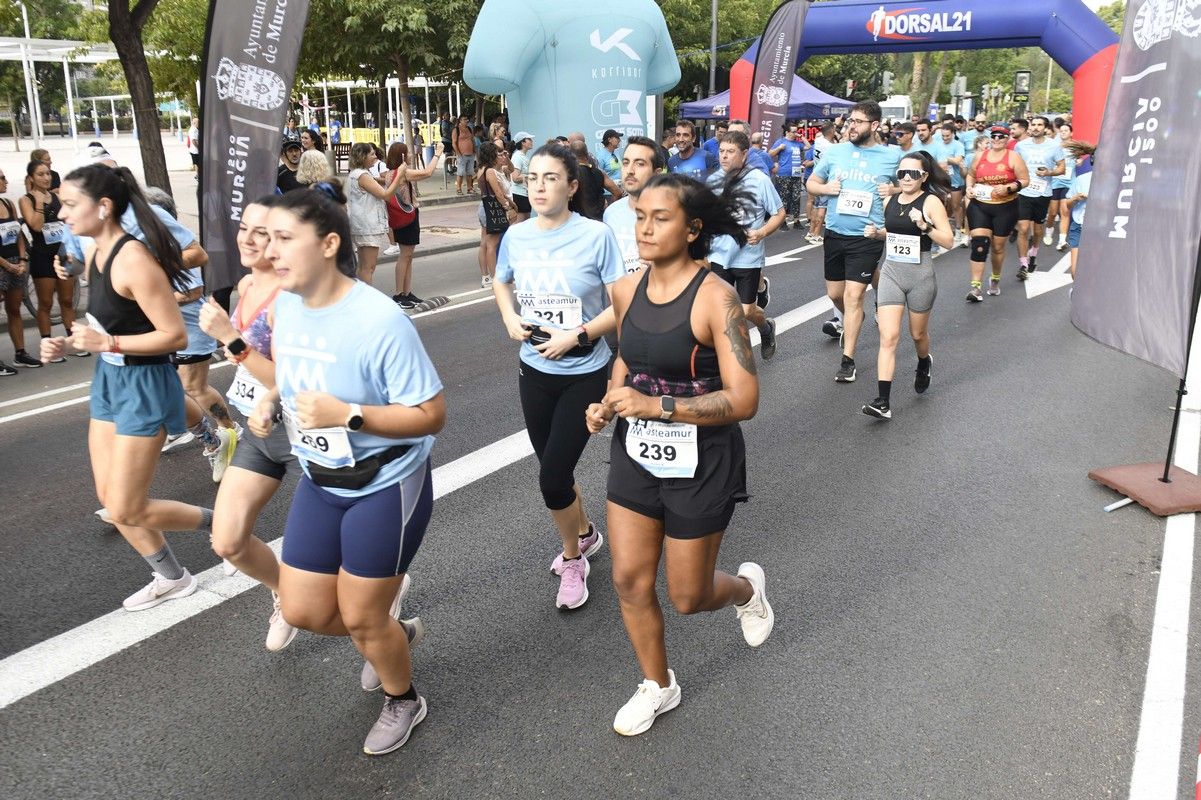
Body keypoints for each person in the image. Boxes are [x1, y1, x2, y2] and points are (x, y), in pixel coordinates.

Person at [250, 189, 444, 756]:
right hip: (321, 477)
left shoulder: (378, 321)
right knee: (302, 608)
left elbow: (432, 415)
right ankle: (394, 638)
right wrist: (271, 399)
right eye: (269, 237)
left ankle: (403, 696)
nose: (271, 250)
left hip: (386, 483)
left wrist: (350, 415)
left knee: (361, 616)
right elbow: (289, 369)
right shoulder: (285, 303)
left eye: (285, 238)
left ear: (329, 243)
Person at [583, 172, 773, 736]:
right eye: (639, 216)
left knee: (689, 596)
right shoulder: (624, 289)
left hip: (704, 459)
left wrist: (657, 406)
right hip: (637, 454)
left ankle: (746, 590)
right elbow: (630, 358)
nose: (643, 227)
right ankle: (658, 684)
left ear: (692, 229)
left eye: (659, 218)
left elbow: (745, 399)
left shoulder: (716, 297)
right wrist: (609, 402)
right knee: (629, 580)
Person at [43, 165, 214, 611]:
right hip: (109, 379)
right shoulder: (95, 252)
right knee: (109, 498)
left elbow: (174, 336)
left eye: (69, 203)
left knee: (125, 507)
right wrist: (67, 343)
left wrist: (108, 342)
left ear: (103, 207)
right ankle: (171, 577)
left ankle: (228, 524)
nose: (61, 212)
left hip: (145, 383)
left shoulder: (133, 258)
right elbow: (110, 321)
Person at [492, 142, 623, 609]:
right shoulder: (518, 235)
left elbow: (620, 303)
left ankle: (574, 559)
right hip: (534, 370)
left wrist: (579, 335)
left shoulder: (596, 236)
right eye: (532, 178)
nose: (540, 186)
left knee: (551, 478)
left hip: (584, 372)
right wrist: (509, 318)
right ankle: (585, 533)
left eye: (551, 178)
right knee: (555, 469)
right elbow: (500, 279)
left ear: (571, 185)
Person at [197, 197, 299, 650]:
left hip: (306, 433)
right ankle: (285, 592)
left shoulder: (289, 295)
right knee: (228, 540)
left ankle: (384, 598)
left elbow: (290, 381)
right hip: (257, 429)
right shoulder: (244, 283)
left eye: (261, 232)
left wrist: (231, 341)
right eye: (244, 228)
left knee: (335, 554)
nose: (248, 238)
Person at [806, 101, 901, 383]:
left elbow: (915, 183)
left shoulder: (891, 157)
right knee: (836, 294)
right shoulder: (835, 152)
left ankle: (848, 359)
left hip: (867, 235)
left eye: (858, 122)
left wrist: (893, 188)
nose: (851, 126)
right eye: (850, 121)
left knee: (853, 296)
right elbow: (812, 182)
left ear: (874, 125)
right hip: (835, 233)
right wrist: (825, 188)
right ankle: (854, 316)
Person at [859, 152, 954, 420]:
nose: (906, 178)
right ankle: (883, 402)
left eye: (912, 174)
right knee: (888, 337)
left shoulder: (931, 201)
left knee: (917, 335)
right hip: (891, 271)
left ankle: (924, 361)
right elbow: (895, 233)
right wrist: (878, 234)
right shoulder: (890, 199)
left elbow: (948, 241)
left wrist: (924, 226)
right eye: (902, 173)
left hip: (920, 275)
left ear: (924, 177)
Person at [706, 131, 784, 360]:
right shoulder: (713, 180)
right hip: (719, 257)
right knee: (722, 311)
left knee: (747, 310)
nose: (724, 156)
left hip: (748, 257)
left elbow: (779, 214)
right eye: (721, 151)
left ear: (744, 154)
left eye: (730, 152)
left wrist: (762, 232)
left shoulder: (759, 180)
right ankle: (728, 359)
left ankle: (766, 328)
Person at [963, 126, 1029, 301]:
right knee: (979, 244)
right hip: (980, 205)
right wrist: (969, 187)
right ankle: (975, 288)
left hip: (1005, 207)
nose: (997, 139)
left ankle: (995, 279)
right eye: (994, 136)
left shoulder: (1013, 157)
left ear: (1007, 139)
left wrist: (1009, 187)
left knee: (998, 247)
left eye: (1001, 136)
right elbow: (970, 175)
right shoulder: (980, 156)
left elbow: (1025, 180)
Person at [21, 159, 78, 360]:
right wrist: (38, 202)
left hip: (61, 254)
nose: (46, 178)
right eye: (40, 174)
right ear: (31, 178)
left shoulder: (56, 197)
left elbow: (70, 221)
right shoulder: (26, 200)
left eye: (48, 174)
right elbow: (36, 226)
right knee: (45, 303)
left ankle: (73, 341)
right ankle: (49, 344)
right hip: (42, 257)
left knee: (67, 300)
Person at [384, 140, 444, 308]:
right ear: (401, 156)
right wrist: (438, 153)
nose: (410, 155)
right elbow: (428, 172)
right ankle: (398, 294)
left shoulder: (390, 173)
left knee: (408, 256)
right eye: (407, 153)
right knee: (405, 256)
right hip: (407, 215)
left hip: (403, 216)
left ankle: (407, 292)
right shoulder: (402, 173)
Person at [1013, 116, 1065, 279]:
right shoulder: (1021, 146)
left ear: (1045, 127)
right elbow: (1013, 165)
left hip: (1043, 193)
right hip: (1023, 191)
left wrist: (1048, 172)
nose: (1036, 127)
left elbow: (1062, 168)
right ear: (1030, 127)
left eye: (1039, 125)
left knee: (1037, 231)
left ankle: (1033, 253)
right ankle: (1023, 264)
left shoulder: (1054, 146)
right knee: (1022, 228)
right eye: (1033, 125)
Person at [346, 142, 405, 286]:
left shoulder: (355, 174)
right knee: (368, 267)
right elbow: (385, 194)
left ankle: (362, 296)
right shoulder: (362, 175)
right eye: (372, 154)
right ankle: (367, 300)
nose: (375, 156)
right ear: (363, 157)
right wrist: (399, 175)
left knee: (363, 267)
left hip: (361, 224)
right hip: (367, 226)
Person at [603, 135, 663, 274]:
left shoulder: (675, 215)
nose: (630, 170)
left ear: (657, 173)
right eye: (625, 162)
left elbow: (702, 265)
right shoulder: (611, 214)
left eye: (640, 163)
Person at [0, 170, 35, 370]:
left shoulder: (7, 204)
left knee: (14, 309)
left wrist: (21, 259)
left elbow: (18, 233)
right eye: (2, 178)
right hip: (3, 264)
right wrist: (8, 265)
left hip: (15, 261)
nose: (6, 181)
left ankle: (20, 353)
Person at [476, 142, 519, 288]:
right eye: (497, 152)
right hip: (493, 209)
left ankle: (488, 277)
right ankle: (495, 278)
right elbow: (498, 193)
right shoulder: (490, 171)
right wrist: (508, 207)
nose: (499, 154)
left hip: (486, 207)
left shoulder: (483, 169)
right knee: (492, 245)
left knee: (487, 244)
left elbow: (510, 170)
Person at [930, 122, 967, 247]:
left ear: (953, 134)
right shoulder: (937, 144)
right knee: (941, 206)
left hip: (955, 180)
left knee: (955, 205)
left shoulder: (958, 145)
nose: (945, 138)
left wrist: (947, 159)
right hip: (941, 180)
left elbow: (958, 160)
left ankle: (958, 229)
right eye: (943, 136)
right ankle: (942, 231)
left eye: (947, 136)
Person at [1063, 140, 1094, 280]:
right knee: (1075, 273)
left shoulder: (1116, 181)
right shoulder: (1082, 179)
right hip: (1079, 227)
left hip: (1101, 229)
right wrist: (1076, 198)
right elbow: (1067, 205)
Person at [769, 125, 805, 229]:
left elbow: (808, 147)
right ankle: (782, 221)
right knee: (784, 198)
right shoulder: (781, 142)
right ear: (787, 132)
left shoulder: (797, 143)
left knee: (796, 197)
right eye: (793, 132)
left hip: (796, 173)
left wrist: (801, 136)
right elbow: (770, 153)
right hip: (784, 173)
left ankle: (796, 221)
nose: (795, 134)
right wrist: (779, 148)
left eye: (796, 132)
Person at [1047, 121, 1076, 252]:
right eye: (1061, 130)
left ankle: (1062, 241)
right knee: (1053, 212)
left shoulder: (1076, 147)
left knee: (1065, 211)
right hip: (1055, 181)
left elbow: (1083, 158)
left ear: (1071, 133)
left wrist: (1079, 161)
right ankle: (1049, 230)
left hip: (1069, 182)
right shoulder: (1054, 146)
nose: (1063, 132)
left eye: (1066, 130)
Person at [509, 131, 535, 222]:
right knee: (520, 223)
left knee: (526, 222)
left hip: (525, 193)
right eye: (529, 139)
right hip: (519, 194)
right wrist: (529, 177)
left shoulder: (523, 156)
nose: (532, 141)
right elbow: (515, 178)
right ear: (523, 142)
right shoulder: (517, 157)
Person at [596, 129, 625, 205]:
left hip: (620, 192)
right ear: (609, 140)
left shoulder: (616, 152)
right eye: (617, 138)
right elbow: (598, 176)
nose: (619, 140)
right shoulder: (601, 156)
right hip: (609, 195)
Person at [452, 115, 477, 195]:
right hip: (462, 155)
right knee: (460, 172)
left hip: (471, 154)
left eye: (467, 119)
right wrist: (458, 153)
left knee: (470, 172)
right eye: (464, 119)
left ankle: (470, 188)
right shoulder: (456, 130)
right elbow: (454, 143)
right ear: (460, 121)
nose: (466, 120)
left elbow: (472, 140)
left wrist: (474, 150)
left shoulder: (469, 129)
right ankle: (458, 188)